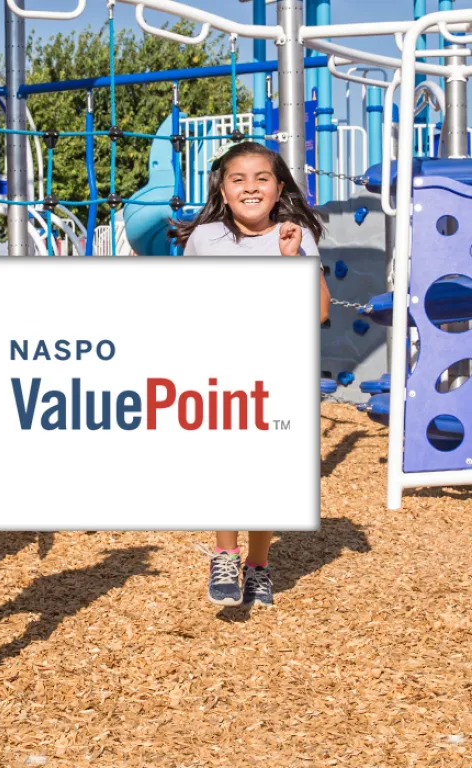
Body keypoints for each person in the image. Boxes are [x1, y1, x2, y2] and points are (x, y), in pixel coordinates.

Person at [172, 141, 330, 608]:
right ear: (222, 189)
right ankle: (225, 553)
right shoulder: (204, 239)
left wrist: (291, 260)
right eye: (238, 179)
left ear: (279, 186)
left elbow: (319, 310)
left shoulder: (294, 233)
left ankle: (258, 566)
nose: (250, 187)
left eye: (262, 178)